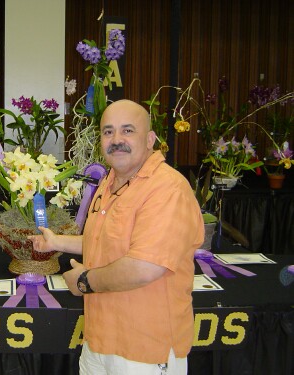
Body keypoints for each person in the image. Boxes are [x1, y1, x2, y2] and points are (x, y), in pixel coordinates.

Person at [29, 99, 204, 375]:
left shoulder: (167, 189)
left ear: (149, 140)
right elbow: (104, 242)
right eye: (108, 131)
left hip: (143, 352)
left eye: (128, 130)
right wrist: (56, 242)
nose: (116, 139)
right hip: (99, 341)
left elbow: (144, 266)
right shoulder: (110, 182)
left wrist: (84, 281)